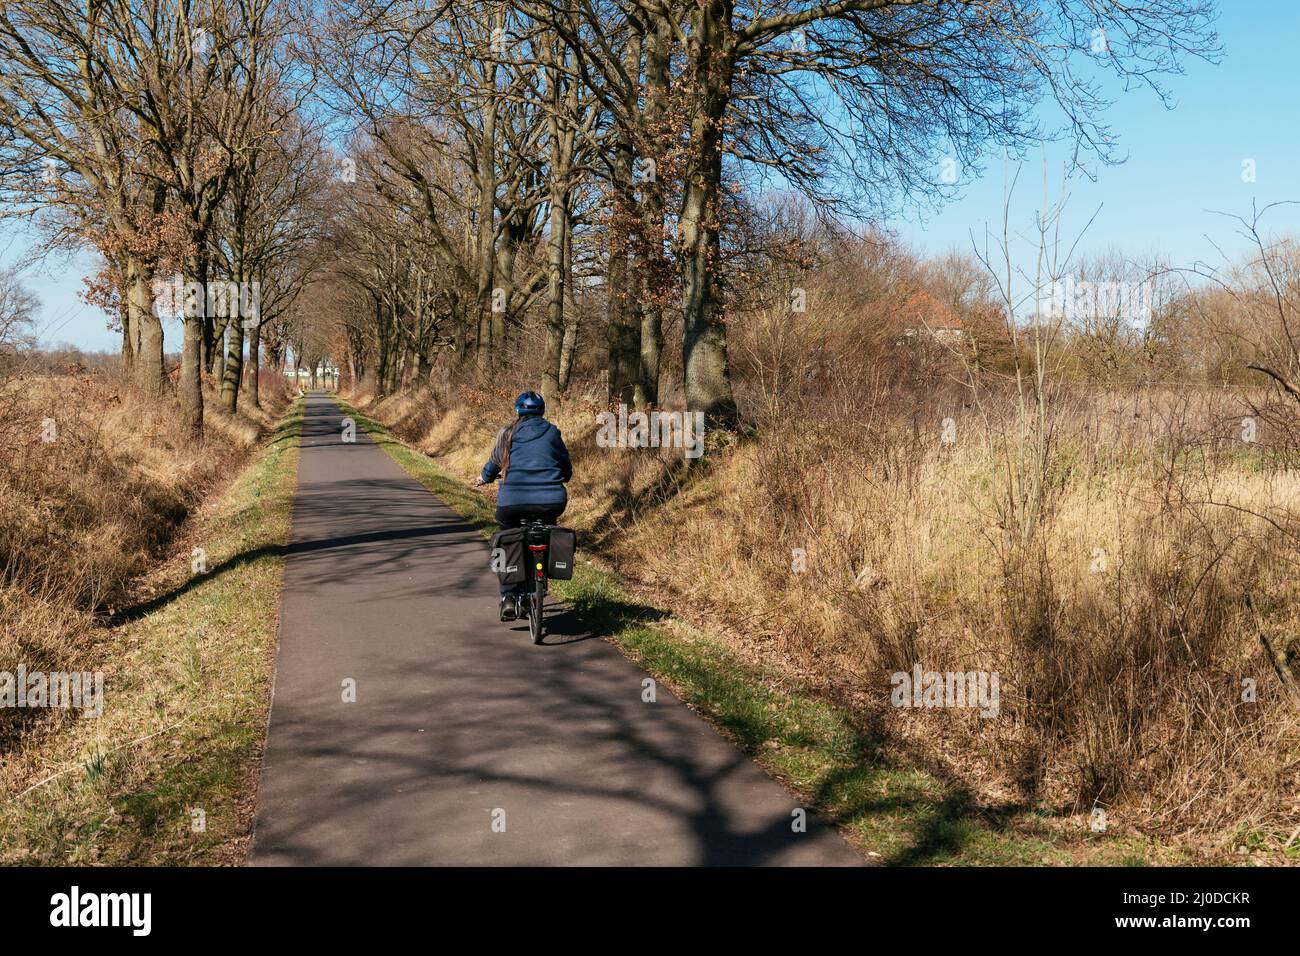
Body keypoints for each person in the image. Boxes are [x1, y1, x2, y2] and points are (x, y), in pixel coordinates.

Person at [476, 390, 572, 621]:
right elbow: (565, 465)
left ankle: (507, 596)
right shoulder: (552, 432)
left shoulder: (508, 432)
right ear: (542, 411)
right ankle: (542, 577)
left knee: (504, 537)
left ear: (518, 410)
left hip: (513, 501)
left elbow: (495, 463)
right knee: (547, 529)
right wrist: (564, 475)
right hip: (551, 501)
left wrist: (484, 477)